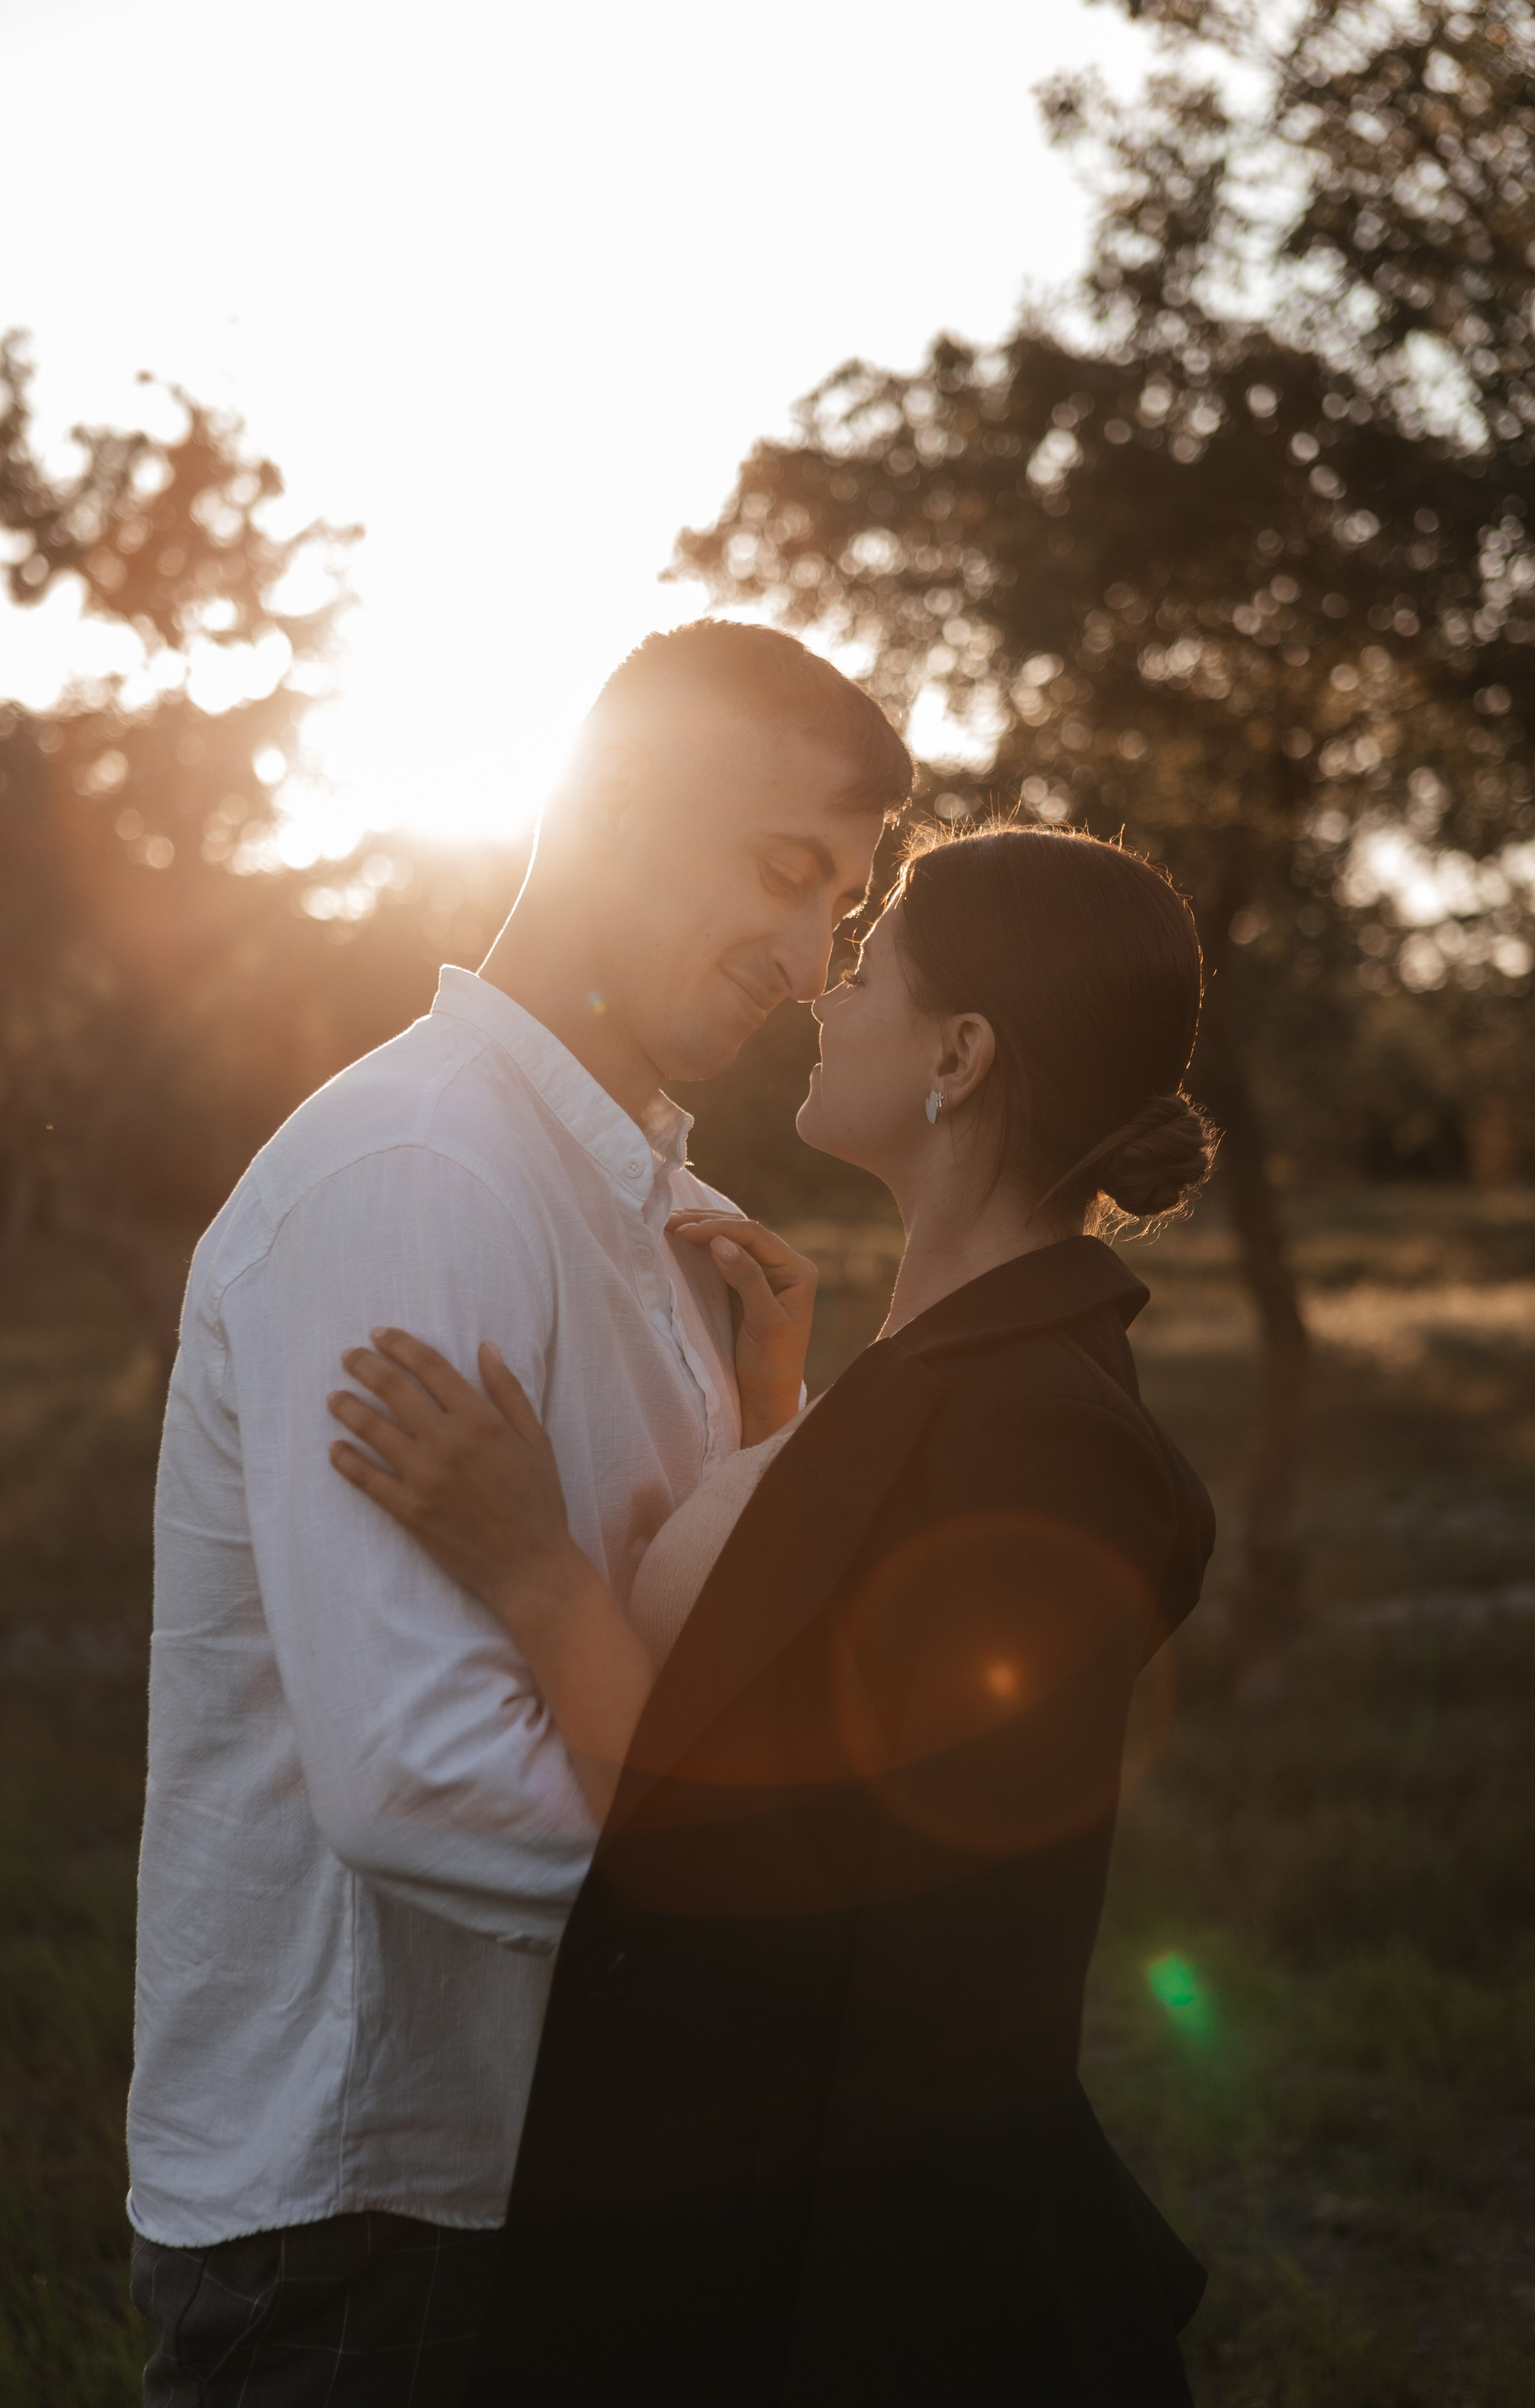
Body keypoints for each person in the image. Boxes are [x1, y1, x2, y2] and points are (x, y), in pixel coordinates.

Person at [328, 821, 1219, 2407]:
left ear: (958, 1055)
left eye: (866, 965)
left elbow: (854, 1931)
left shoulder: (1045, 1441)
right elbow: (812, 1697)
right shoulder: (944, 1371)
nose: (822, 986)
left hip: (805, 2286)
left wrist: (536, 1573)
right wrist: (777, 1422)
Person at [126, 621, 909, 2405]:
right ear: (617, 801)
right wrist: (805, 1937)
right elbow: (417, 1768)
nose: (805, 959)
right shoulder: (422, 1169)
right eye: (784, 874)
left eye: (843, 918)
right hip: (373, 2203)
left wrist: (768, 1421)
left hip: (550, 2159)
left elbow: (669, 1650)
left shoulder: (656, 1205)